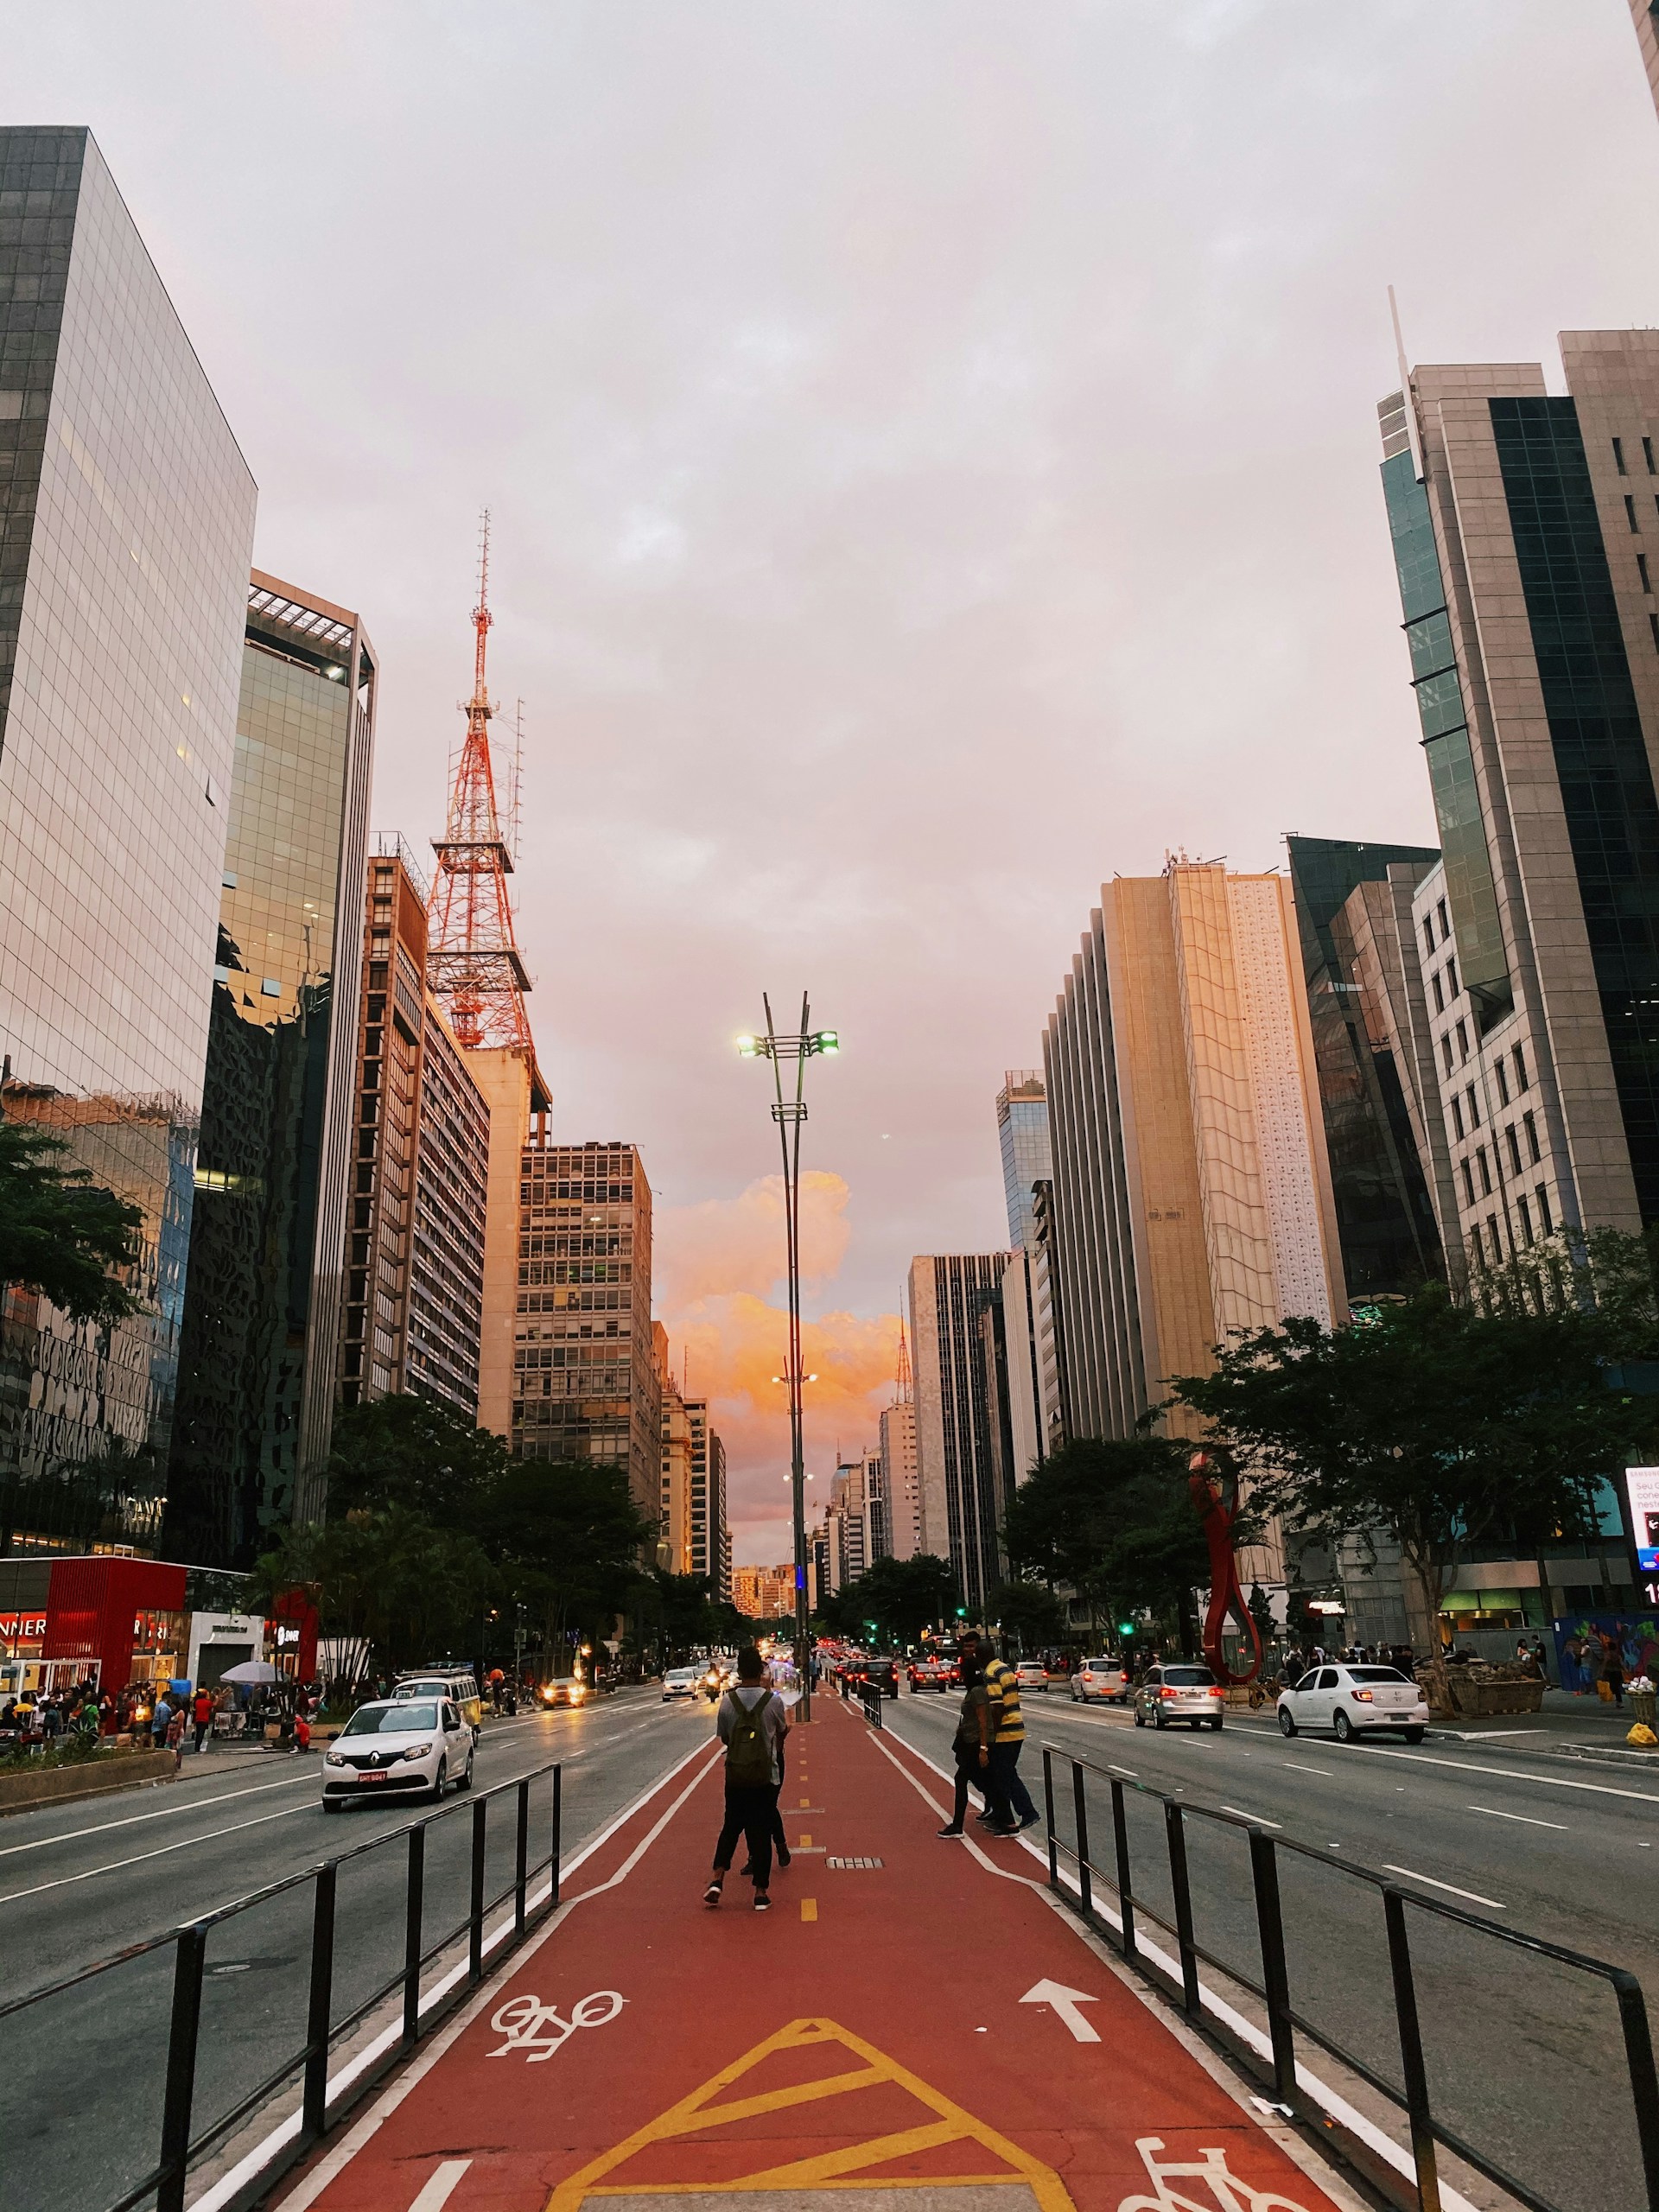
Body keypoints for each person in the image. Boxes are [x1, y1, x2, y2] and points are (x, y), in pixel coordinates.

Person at [704, 1647, 789, 1913]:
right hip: (765, 1777)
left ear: (739, 1671)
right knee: (760, 1832)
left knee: (731, 1827)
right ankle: (760, 1893)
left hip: (736, 1775)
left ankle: (717, 1878)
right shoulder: (773, 1701)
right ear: (761, 1670)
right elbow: (780, 1733)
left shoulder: (728, 1702)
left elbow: (725, 1737)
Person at [970, 1631, 1033, 1834]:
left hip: (1005, 1731)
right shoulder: (1005, 1668)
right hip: (1017, 1728)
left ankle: (1025, 1813)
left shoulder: (991, 1674)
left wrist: (990, 1736)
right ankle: (1005, 1815)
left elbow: (997, 1707)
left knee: (1003, 1775)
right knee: (1005, 1773)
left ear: (981, 1657)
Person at [938, 1647, 998, 1836]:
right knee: (985, 1781)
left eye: (963, 1673)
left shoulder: (979, 1692)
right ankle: (1003, 1815)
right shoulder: (974, 1690)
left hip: (975, 1743)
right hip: (969, 1740)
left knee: (963, 1778)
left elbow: (983, 1721)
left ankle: (957, 1825)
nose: (961, 1677)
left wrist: (983, 1749)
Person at [191, 1686, 214, 1754]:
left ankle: (196, 1747)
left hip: (198, 1719)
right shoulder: (208, 1702)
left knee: (198, 1733)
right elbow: (211, 1710)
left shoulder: (197, 1701)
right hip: (205, 1719)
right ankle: (199, 1747)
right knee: (202, 1734)